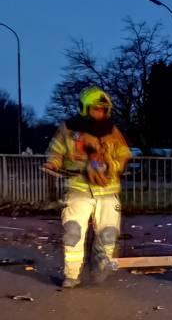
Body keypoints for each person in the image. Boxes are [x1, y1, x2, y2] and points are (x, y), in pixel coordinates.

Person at [43, 87, 131, 288]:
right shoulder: (68, 130)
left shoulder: (112, 132)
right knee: (73, 231)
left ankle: (100, 267)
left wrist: (110, 166)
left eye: (103, 109)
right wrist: (53, 164)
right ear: (85, 109)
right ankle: (72, 275)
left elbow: (124, 155)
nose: (99, 113)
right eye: (95, 109)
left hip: (107, 191)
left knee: (108, 233)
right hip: (78, 188)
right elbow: (55, 152)